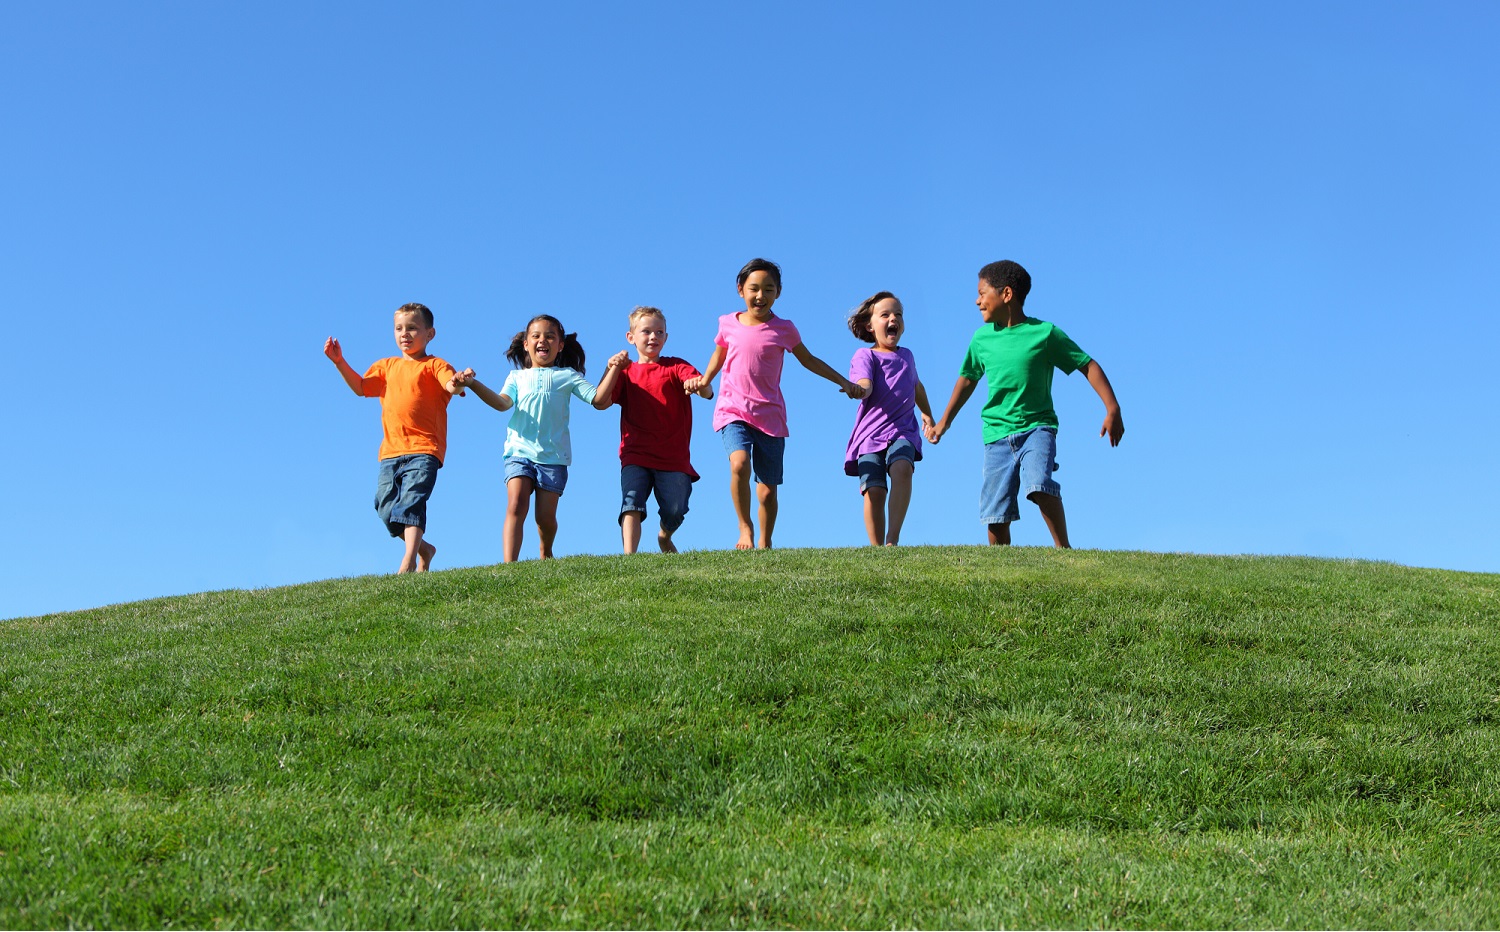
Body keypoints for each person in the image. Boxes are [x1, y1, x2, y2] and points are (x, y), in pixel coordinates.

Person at [927, 260, 1124, 547]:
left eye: (982, 293)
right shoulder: (981, 339)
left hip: (1037, 428)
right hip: (996, 434)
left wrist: (1112, 407)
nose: (977, 300)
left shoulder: (1044, 334)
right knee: (996, 513)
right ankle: (1000, 569)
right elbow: (967, 380)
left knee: (1038, 485)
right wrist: (944, 422)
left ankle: (1063, 550)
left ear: (1006, 294)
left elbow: (1087, 365)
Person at [684, 258, 865, 550]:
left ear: (778, 293)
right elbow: (719, 355)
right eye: (754, 288)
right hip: (733, 409)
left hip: (770, 415)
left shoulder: (784, 328)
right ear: (740, 290)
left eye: (769, 289)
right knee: (739, 463)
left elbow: (809, 360)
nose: (760, 295)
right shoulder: (728, 323)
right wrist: (705, 379)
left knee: (767, 492)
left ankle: (765, 542)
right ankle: (745, 528)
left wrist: (843, 382)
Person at [453, 315, 626, 562]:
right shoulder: (516, 378)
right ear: (526, 343)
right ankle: (509, 565)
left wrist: (613, 369)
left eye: (549, 336)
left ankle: (546, 551)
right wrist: (472, 384)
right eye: (535, 336)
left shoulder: (568, 376)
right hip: (518, 451)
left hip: (553, 456)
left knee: (545, 518)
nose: (542, 340)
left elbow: (599, 401)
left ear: (560, 345)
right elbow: (502, 404)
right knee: (516, 504)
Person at [323, 302, 473, 573]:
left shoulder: (435, 365)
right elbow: (360, 387)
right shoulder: (386, 366)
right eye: (399, 328)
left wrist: (461, 380)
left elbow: (451, 384)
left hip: (425, 448)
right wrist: (339, 362)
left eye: (413, 328)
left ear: (430, 334)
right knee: (385, 506)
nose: (405, 333)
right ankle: (424, 549)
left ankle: (409, 560)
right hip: (391, 451)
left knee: (412, 501)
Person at [606, 306, 714, 554]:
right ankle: (629, 558)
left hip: (672, 457)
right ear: (631, 337)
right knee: (631, 502)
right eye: (646, 331)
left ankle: (665, 536)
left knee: (675, 509)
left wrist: (698, 385)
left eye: (659, 332)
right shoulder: (626, 372)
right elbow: (603, 400)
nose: (653, 336)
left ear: (666, 337)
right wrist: (612, 368)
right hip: (635, 454)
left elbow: (707, 392)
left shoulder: (676, 367)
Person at [843, 292, 935, 546]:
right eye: (885, 315)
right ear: (870, 326)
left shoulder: (907, 356)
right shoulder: (866, 356)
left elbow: (916, 387)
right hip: (870, 436)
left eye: (898, 315)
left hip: (902, 430)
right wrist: (859, 389)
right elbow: (865, 383)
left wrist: (927, 414)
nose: (893, 318)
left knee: (902, 468)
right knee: (874, 490)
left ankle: (892, 539)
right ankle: (876, 549)